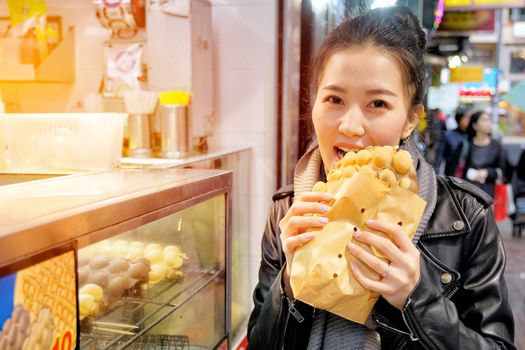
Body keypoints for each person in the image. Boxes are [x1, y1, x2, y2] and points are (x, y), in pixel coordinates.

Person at [247, 6, 515, 350]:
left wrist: (417, 298)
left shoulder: (466, 217)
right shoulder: (288, 212)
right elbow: (260, 342)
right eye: (334, 99)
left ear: (410, 118)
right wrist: (288, 282)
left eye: (377, 104)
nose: (350, 126)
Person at [462, 111, 507, 198]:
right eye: (484, 120)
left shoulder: (496, 146)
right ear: (474, 125)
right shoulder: (466, 144)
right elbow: (456, 169)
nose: (488, 123)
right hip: (467, 193)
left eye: (489, 120)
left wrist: (487, 173)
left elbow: (504, 171)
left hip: (489, 194)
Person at [433, 107, 471, 175]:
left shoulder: (473, 136)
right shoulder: (448, 135)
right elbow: (439, 156)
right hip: (452, 174)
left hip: (469, 175)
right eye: (467, 117)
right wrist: (435, 174)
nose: (469, 120)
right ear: (460, 119)